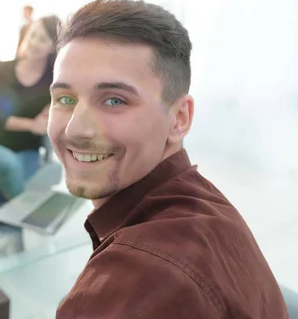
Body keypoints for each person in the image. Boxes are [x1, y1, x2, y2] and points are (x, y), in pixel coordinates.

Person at [49, 1, 288, 318]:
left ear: (179, 119)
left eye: (114, 100)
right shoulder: (201, 200)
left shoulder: (142, 277)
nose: (75, 129)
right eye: (65, 99)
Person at [0, 16, 60, 212]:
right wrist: (32, 125)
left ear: (52, 47)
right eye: (33, 36)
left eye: (42, 39)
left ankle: (8, 235)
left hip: (28, 151)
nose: (34, 43)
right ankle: (31, 217)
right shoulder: (5, 70)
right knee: (9, 165)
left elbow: (58, 109)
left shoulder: (54, 78)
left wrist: (49, 112)